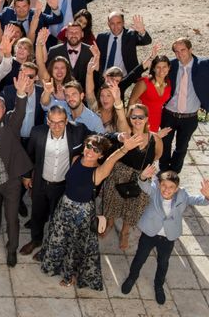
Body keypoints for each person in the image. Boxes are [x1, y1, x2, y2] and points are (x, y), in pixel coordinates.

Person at [39, 133, 143, 289]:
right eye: (88, 146)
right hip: (64, 206)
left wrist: (124, 149)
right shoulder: (76, 160)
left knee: (75, 246)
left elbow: (111, 160)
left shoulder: (99, 172)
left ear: (101, 155)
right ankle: (52, 264)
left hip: (81, 213)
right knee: (58, 238)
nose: (90, 151)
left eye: (96, 150)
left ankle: (70, 276)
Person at [121, 165, 209, 305]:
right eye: (164, 186)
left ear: (177, 188)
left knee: (163, 263)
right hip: (149, 234)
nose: (166, 190)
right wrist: (143, 176)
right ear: (159, 184)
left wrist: (207, 195)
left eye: (171, 187)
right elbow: (144, 185)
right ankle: (132, 277)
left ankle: (158, 286)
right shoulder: (155, 190)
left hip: (168, 238)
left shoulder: (183, 195)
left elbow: (199, 201)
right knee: (139, 258)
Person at [0, 73, 34, 267]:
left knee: (11, 217)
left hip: (11, 181)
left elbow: (20, 111)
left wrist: (20, 94)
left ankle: (12, 249)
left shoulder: (11, 122)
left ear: (4, 110)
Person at [19, 106, 88, 257]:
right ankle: (36, 240)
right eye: (53, 122)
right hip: (41, 183)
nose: (56, 126)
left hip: (63, 186)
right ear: (47, 121)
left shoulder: (78, 131)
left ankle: (49, 247)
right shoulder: (37, 132)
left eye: (61, 122)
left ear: (66, 121)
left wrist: (119, 137)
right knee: (37, 215)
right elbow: (29, 155)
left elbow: (100, 137)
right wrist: (26, 175)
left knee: (57, 219)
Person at [103, 104, 162, 250]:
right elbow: (121, 118)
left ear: (146, 118)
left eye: (140, 117)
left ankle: (124, 232)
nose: (137, 120)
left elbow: (157, 155)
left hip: (141, 177)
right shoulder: (125, 135)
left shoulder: (155, 138)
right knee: (113, 201)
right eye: (133, 117)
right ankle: (110, 223)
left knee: (133, 207)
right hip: (120, 174)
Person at [159, 38, 209, 173]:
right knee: (164, 144)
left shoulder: (204, 65)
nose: (180, 54)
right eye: (176, 51)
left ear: (190, 50)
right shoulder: (171, 65)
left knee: (182, 147)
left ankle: (174, 173)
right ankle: (163, 172)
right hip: (169, 114)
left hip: (190, 117)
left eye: (183, 50)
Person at [129, 55, 172, 132]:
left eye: (164, 67)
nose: (161, 70)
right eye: (158, 67)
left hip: (156, 120)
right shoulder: (144, 83)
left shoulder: (168, 83)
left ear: (169, 68)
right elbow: (131, 102)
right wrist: (132, 122)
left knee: (151, 142)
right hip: (141, 120)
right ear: (153, 68)